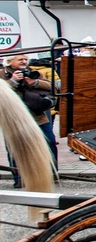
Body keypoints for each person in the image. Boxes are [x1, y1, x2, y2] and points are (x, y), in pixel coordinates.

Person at [4, 55, 58, 186]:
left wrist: (34, 82)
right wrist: (13, 81)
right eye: (20, 59)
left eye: (25, 59)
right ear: (10, 62)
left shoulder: (34, 72)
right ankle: (19, 179)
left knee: (49, 141)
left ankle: (52, 174)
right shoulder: (2, 74)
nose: (23, 61)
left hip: (38, 115)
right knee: (15, 147)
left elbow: (54, 87)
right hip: (14, 118)